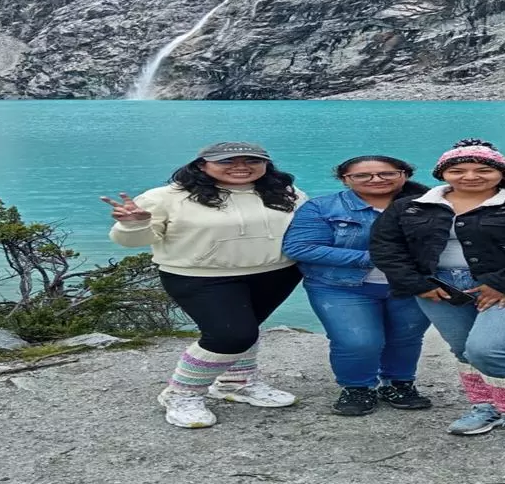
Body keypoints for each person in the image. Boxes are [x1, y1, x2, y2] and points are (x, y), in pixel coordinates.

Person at [369, 139, 505, 451]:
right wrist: (418, 284)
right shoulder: (411, 205)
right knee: (465, 349)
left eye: (483, 169)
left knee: (492, 348)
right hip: (440, 287)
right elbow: (386, 247)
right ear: (442, 173)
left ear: (502, 173)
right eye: (458, 170)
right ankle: (490, 404)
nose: (470, 176)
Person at [102, 141, 306, 429]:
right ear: (201, 165)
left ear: (266, 164)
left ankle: (236, 382)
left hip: (277, 273)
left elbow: (308, 229)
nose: (241, 167)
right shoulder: (166, 197)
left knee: (247, 328)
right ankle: (181, 393)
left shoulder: (287, 193)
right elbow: (131, 241)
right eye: (227, 161)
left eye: (252, 160)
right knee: (230, 335)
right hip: (200, 276)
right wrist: (134, 224)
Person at [283, 155, 434, 416]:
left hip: (412, 285)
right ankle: (357, 387)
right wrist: (374, 258)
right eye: (362, 175)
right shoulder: (322, 207)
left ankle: (399, 383)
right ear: (345, 180)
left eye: (387, 173)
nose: (376, 179)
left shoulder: (430, 205)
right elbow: (300, 247)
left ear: (404, 175)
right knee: (357, 341)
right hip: (340, 285)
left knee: (406, 337)